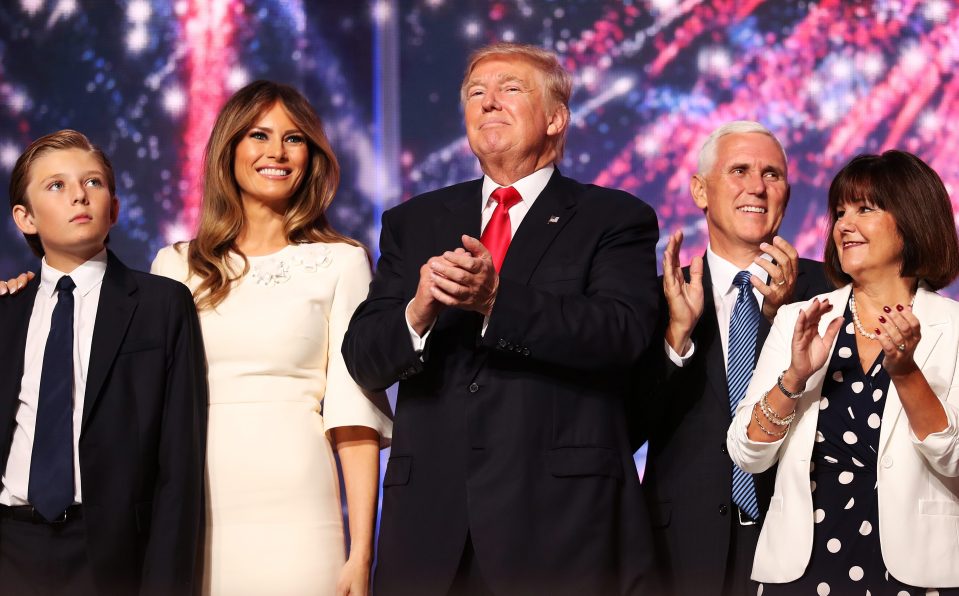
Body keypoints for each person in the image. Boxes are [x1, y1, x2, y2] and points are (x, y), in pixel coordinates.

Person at [342, 42, 660, 595]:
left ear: (556, 118)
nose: (489, 102)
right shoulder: (413, 222)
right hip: (430, 531)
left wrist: (496, 302)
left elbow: (621, 334)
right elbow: (364, 359)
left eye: (511, 89)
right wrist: (417, 312)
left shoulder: (614, 217)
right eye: (475, 93)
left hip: (558, 528)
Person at [149, 81, 392, 595]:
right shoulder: (174, 266)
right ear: (229, 148)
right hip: (194, 505)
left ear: (312, 156)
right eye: (259, 135)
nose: (277, 152)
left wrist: (361, 553)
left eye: (295, 138)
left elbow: (354, 417)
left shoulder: (341, 262)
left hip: (299, 508)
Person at [727, 150, 959, 594]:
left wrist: (907, 373)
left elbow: (954, 458)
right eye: (839, 212)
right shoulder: (803, 318)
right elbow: (746, 454)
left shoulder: (952, 328)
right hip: (802, 570)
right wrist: (793, 378)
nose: (843, 225)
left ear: (912, 219)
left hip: (917, 574)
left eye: (865, 209)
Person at [0, 129, 206, 595]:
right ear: (25, 218)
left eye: (93, 183)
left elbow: (179, 464)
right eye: (56, 185)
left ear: (113, 208)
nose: (79, 195)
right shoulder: (7, 311)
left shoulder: (161, 304)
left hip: (110, 550)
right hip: (11, 542)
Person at [635, 121, 831, 595]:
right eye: (739, 170)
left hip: (805, 544)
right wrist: (676, 339)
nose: (757, 188)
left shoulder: (830, 292)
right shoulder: (657, 297)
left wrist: (778, 317)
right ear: (700, 191)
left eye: (772, 175)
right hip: (679, 553)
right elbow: (622, 427)